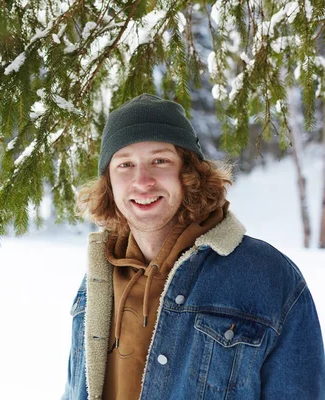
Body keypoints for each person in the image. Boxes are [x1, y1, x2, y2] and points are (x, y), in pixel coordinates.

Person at [61, 94, 325, 400]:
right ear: (109, 182)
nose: (142, 181)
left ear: (189, 172)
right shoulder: (98, 278)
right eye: (125, 164)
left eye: (159, 160)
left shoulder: (269, 278)